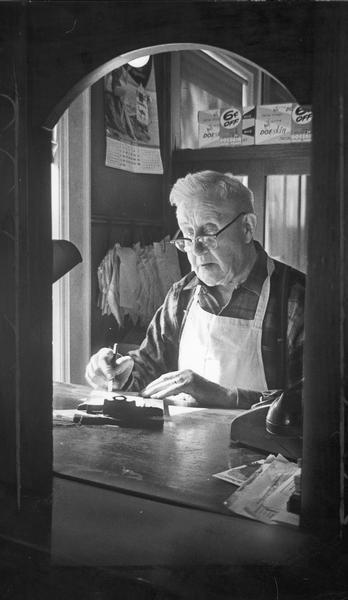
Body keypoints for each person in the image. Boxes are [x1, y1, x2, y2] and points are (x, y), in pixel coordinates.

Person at [85, 171, 305, 409]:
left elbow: (319, 407)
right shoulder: (182, 295)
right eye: (188, 234)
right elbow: (149, 370)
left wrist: (228, 397)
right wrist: (118, 373)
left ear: (247, 228)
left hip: (262, 447)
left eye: (209, 232)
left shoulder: (296, 301)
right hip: (184, 446)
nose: (196, 250)